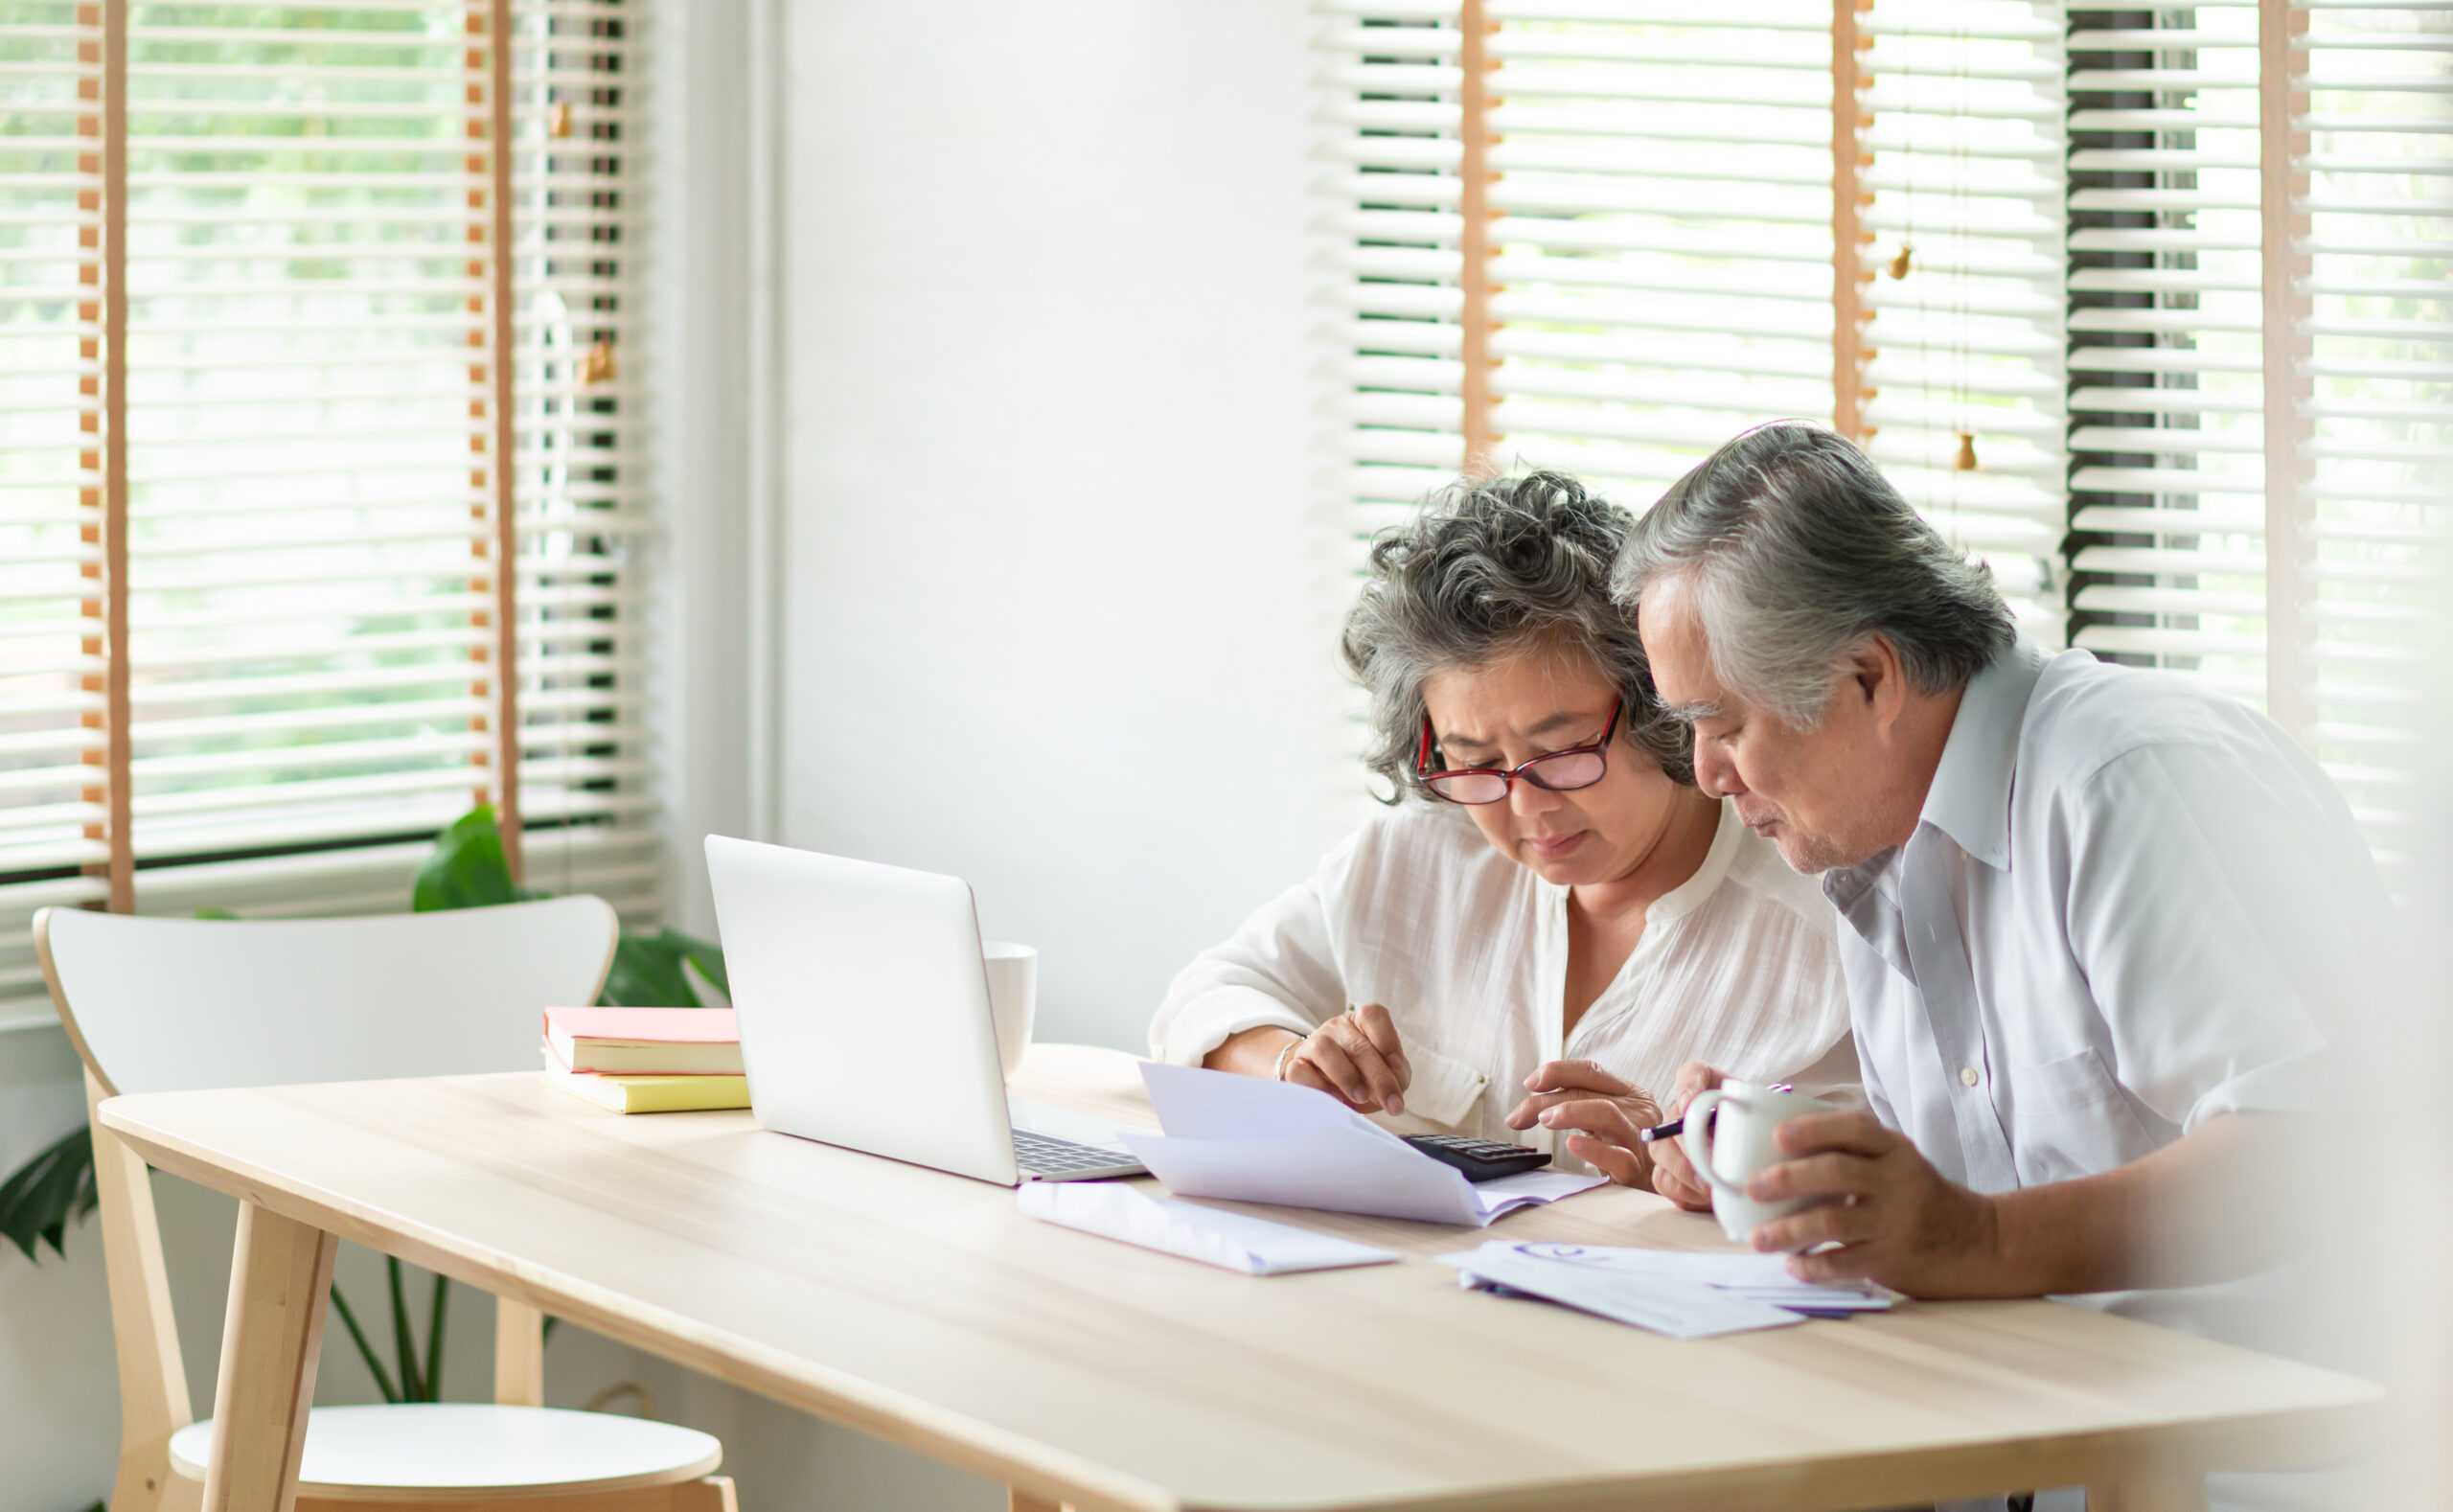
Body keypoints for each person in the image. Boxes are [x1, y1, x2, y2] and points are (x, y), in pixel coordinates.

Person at [1609, 422, 2382, 1340]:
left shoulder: (2127, 778)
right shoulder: (1875, 833)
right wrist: (1786, 1161)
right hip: (2027, 1420)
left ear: (1868, 677)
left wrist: (1974, 1239)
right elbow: (1996, 1172)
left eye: (1723, 723)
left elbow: (2307, 1153)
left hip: (2251, 1456)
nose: (1705, 773)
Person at [1148, 471, 1855, 1188]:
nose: (1525, 806)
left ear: (1656, 705)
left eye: (1561, 753)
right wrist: (1290, 1063)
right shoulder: (1420, 853)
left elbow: (1874, 1191)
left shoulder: (1825, 930)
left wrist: (1699, 1173)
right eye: (1475, 760)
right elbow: (1205, 997)